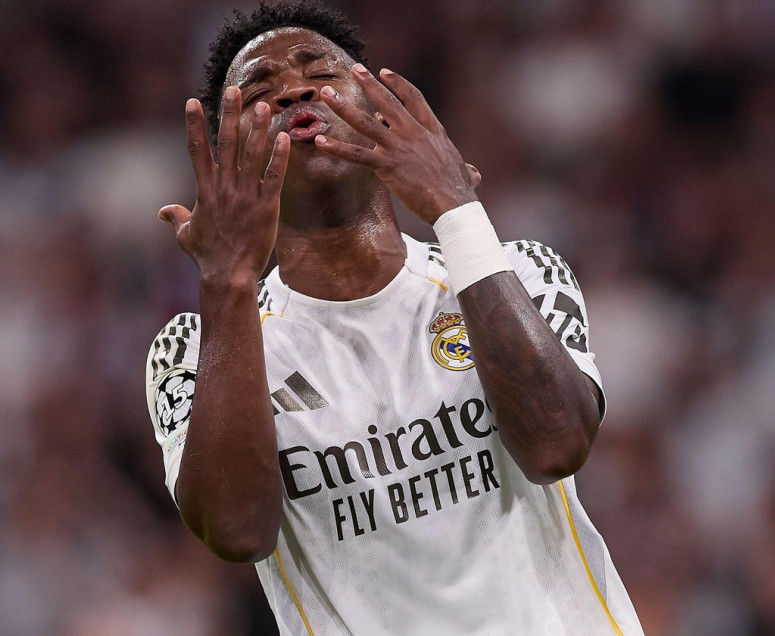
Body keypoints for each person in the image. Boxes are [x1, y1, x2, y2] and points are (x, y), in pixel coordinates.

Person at [146, 2, 643, 634]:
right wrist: (228, 282)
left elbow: (558, 445)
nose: (295, 89)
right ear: (226, 161)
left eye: (317, 70)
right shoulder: (192, 350)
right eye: (259, 92)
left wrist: (457, 213)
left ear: (381, 110)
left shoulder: (517, 271)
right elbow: (238, 529)